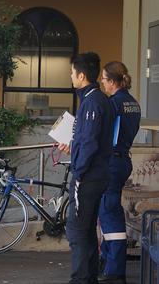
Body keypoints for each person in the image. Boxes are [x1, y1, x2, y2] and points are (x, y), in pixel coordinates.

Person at [58, 52, 113, 284]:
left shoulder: (91, 102)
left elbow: (90, 142)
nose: (70, 76)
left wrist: (78, 170)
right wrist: (74, 147)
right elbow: (88, 139)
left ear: (81, 75)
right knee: (88, 229)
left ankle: (81, 279)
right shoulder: (97, 100)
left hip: (88, 177)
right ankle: (88, 277)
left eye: (72, 73)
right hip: (96, 174)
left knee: (77, 231)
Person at [97, 61, 140, 284]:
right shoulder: (133, 104)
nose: (102, 82)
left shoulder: (112, 103)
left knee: (109, 213)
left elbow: (104, 135)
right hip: (123, 159)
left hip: (112, 162)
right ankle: (107, 259)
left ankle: (114, 270)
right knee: (109, 210)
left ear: (112, 81)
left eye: (104, 79)